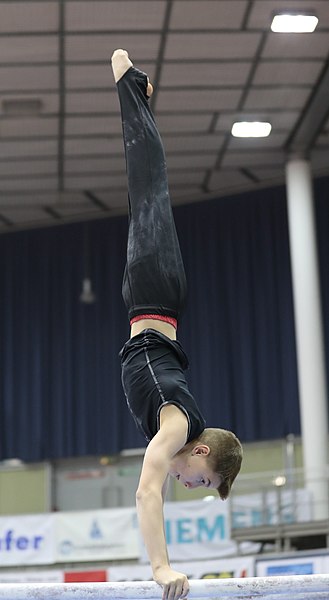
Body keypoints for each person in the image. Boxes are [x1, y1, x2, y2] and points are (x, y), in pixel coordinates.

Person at [111, 49, 243, 600]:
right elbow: (147, 490)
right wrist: (162, 569)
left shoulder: (183, 422)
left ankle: (137, 100)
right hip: (154, 292)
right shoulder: (176, 428)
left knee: (152, 191)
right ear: (203, 454)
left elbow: (159, 480)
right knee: (149, 187)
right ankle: (128, 84)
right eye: (201, 481)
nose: (189, 485)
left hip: (159, 304)